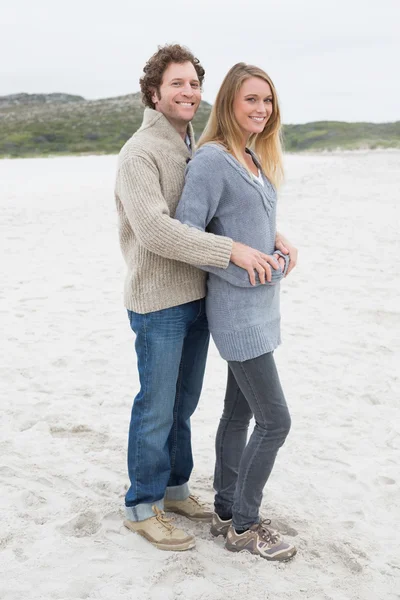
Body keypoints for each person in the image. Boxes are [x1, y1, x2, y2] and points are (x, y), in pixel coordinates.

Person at [114, 45, 296, 552]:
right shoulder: (140, 153)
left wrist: (268, 239)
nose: (188, 92)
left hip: (198, 292)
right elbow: (156, 229)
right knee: (155, 407)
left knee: (184, 404)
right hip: (159, 299)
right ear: (154, 92)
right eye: (177, 84)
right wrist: (234, 250)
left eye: (194, 83)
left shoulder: (191, 143)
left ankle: (174, 490)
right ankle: (142, 505)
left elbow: (231, 210)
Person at [175, 62, 298, 561]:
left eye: (267, 101)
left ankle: (226, 510)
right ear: (229, 102)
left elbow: (250, 226)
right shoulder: (211, 160)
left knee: (239, 412)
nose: (261, 109)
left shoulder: (252, 157)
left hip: (263, 307)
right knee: (276, 421)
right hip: (236, 314)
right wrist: (236, 255)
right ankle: (246, 524)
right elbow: (188, 230)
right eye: (251, 99)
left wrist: (277, 243)